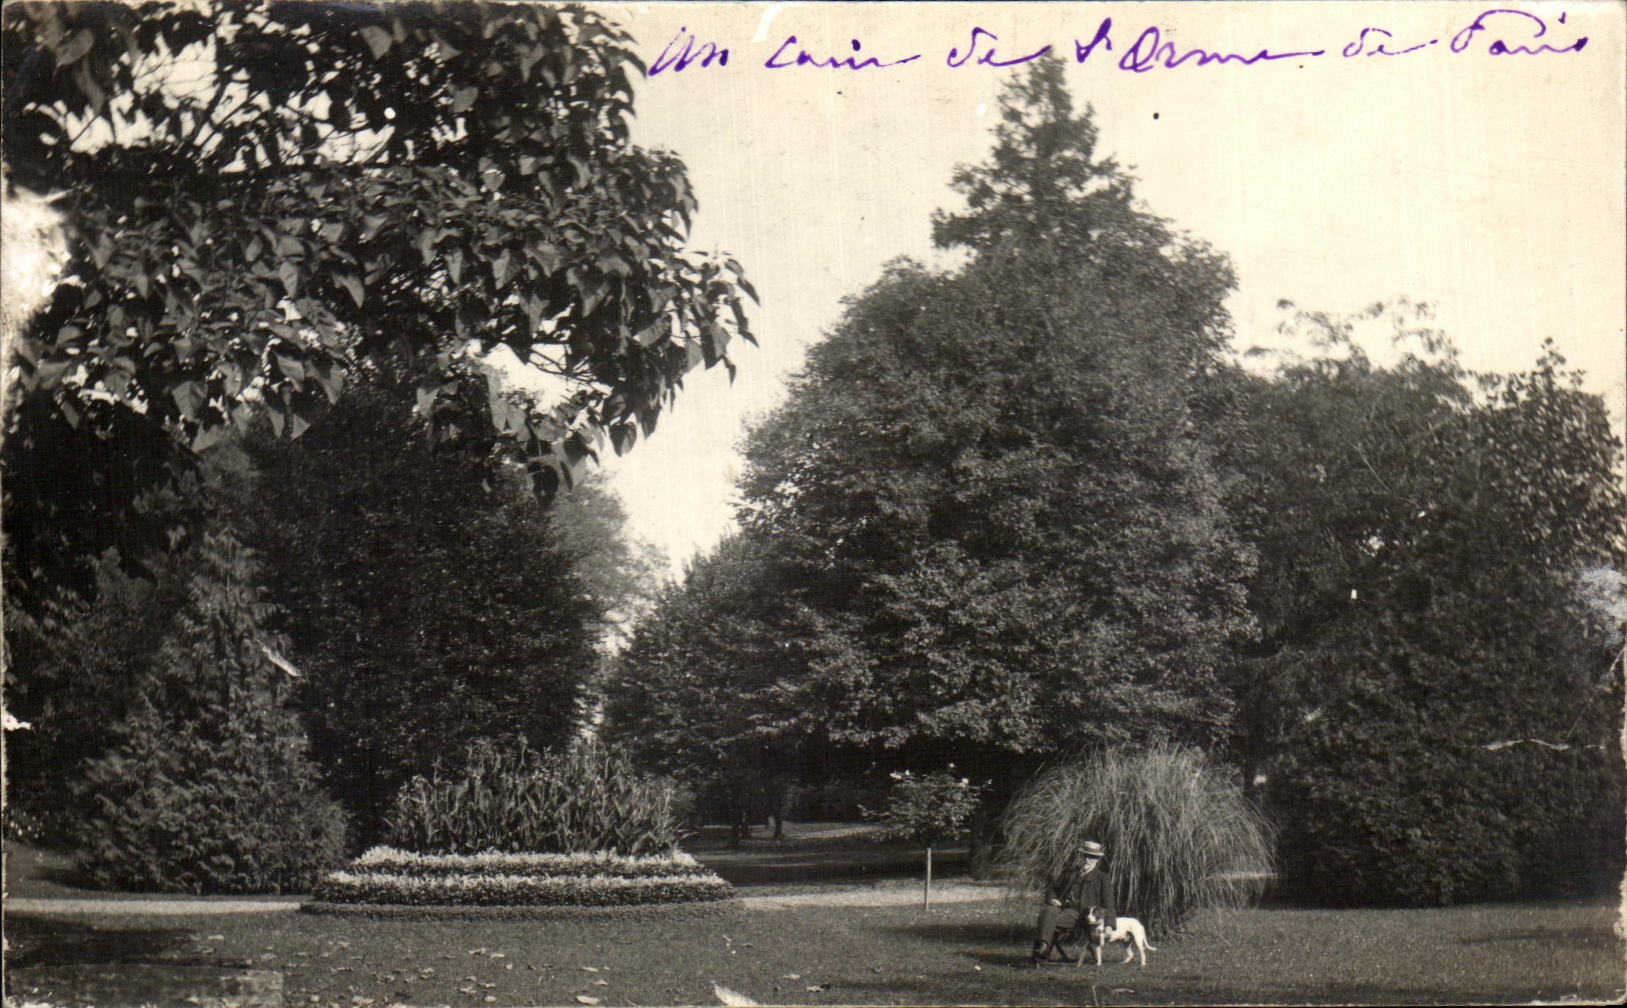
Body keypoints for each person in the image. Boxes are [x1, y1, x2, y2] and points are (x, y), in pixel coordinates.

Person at [1031, 838, 1117, 965]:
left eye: (1092, 857)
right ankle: (1043, 946)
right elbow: (1053, 889)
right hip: (1063, 909)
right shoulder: (1072, 873)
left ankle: (1042, 950)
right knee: (1049, 910)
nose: (1088, 860)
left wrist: (1109, 924)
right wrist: (1053, 899)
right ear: (1081, 856)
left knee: (1046, 917)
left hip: (1083, 915)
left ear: (1097, 860)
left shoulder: (1102, 878)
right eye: (1086, 856)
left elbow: (1109, 903)